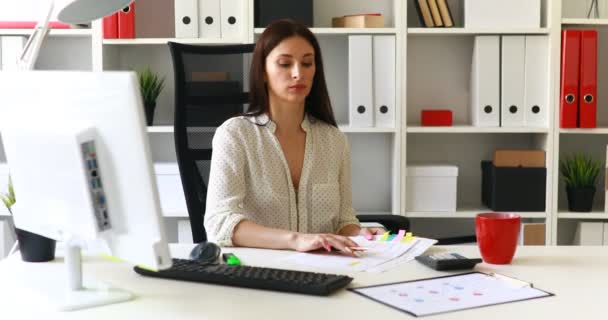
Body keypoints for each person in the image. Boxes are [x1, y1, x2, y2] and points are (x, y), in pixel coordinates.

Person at [204, 19, 384, 256]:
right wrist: (296, 240)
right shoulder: (235, 135)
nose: (298, 73)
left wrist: (358, 233)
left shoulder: (334, 140)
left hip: (324, 270)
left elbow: (343, 220)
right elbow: (219, 224)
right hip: (260, 271)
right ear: (263, 72)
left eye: (307, 63)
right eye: (285, 64)